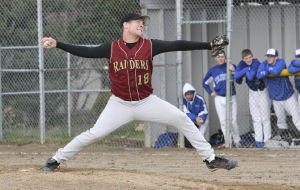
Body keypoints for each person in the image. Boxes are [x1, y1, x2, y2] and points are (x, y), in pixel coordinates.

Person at [39, 13, 237, 171]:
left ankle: (210, 159)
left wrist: (208, 45)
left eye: (143, 23)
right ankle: (57, 159)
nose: (141, 25)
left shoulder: (150, 45)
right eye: (137, 22)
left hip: (146, 101)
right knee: (94, 133)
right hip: (119, 103)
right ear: (125, 25)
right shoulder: (112, 47)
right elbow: (87, 51)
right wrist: (59, 45)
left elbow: (177, 45)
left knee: (182, 118)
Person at [257, 48, 300, 140]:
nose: (269, 58)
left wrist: (267, 70)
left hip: (288, 97)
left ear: (276, 57)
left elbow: (276, 71)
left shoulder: (281, 62)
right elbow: (259, 75)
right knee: (280, 121)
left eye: (271, 56)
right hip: (275, 98)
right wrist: (269, 69)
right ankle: (285, 139)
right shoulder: (264, 63)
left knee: (297, 119)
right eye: (268, 56)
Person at [202, 50, 241, 147]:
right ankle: (228, 142)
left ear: (225, 57)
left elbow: (240, 80)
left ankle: (237, 141)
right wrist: (211, 92)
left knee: (233, 121)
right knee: (223, 121)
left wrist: (234, 71)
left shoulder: (231, 66)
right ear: (215, 58)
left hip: (231, 96)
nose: (220, 58)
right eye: (218, 57)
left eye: (222, 56)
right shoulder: (213, 70)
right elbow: (205, 83)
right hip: (219, 98)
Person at [234, 49, 271, 148]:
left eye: (250, 57)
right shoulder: (242, 64)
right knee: (256, 118)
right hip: (252, 92)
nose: (249, 59)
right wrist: (246, 70)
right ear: (243, 59)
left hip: (262, 91)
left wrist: (244, 71)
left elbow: (250, 77)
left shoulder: (256, 62)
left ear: (252, 56)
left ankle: (267, 140)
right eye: (246, 58)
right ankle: (258, 141)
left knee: (265, 118)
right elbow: (237, 78)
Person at [182, 82, 209, 148]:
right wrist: (195, 118)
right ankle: (191, 144)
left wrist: (200, 118)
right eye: (187, 94)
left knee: (205, 122)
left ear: (194, 93)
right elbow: (185, 113)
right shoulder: (182, 100)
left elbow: (204, 111)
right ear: (184, 95)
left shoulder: (199, 99)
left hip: (200, 119)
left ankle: (200, 144)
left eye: (191, 94)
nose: (189, 96)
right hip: (191, 119)